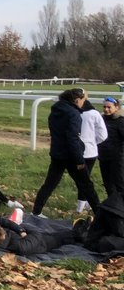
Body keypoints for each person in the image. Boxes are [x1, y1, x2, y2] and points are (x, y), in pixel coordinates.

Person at [33, 88, 99, 217]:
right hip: (72, 156)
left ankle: (36, 211)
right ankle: (100, 215)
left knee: (50, 184)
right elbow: (72, 138)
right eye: (83, 100)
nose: (83, 103)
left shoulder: (55, 111)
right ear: (76, 100)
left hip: (57, 154)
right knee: (87, 185)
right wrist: (79, 160)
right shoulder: (73, 114)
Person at [76, 99, 108, 214]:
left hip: (77, 152)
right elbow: (103, 135)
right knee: (85, 179)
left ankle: (82, 206)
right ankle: (84, 205)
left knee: (82, 179)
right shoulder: (95, 114)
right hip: (91, 152)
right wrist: (93, 142)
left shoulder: (75, 112)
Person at [99, 97, 124, 198]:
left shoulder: (121, 121)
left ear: (116, 108)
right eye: (104, 107)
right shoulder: (101, 120)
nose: (106, 109)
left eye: (109, 107)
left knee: (119, 183)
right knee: (107, 184)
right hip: (103, 157)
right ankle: (112, 206)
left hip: (117, 158)